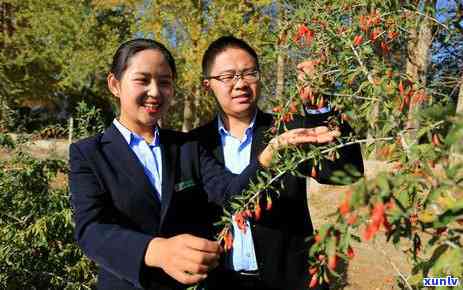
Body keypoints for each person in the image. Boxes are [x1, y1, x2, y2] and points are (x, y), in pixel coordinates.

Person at [68, 38, 336, 290]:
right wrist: (154, 250)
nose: (155, 92)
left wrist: (270, 154)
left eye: (164, 82)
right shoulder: (89, 153)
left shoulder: (186, 147)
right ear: (115, 85)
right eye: (142, 80)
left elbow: (232, 195)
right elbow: (91, 229)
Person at [190, 36, 364, 290]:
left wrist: (321, 106)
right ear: (208, 85)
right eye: (228, 76)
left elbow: (346, 172)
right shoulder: (194, 145)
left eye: (249, 73)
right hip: (220, 281)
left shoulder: (288, 130)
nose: (241, 84)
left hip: (289, 279)